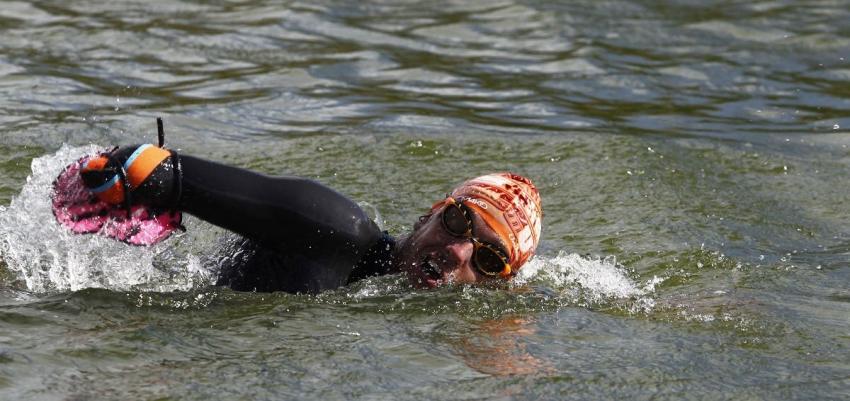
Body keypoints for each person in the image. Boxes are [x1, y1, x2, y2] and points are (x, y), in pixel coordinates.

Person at [72, 140, 542, 293]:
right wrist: (126, 178)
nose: (456, 250)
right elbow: (146, 167)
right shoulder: (332, 230)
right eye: (458, 222)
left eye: (488, 259)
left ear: (498, 284)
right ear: (428, 215)